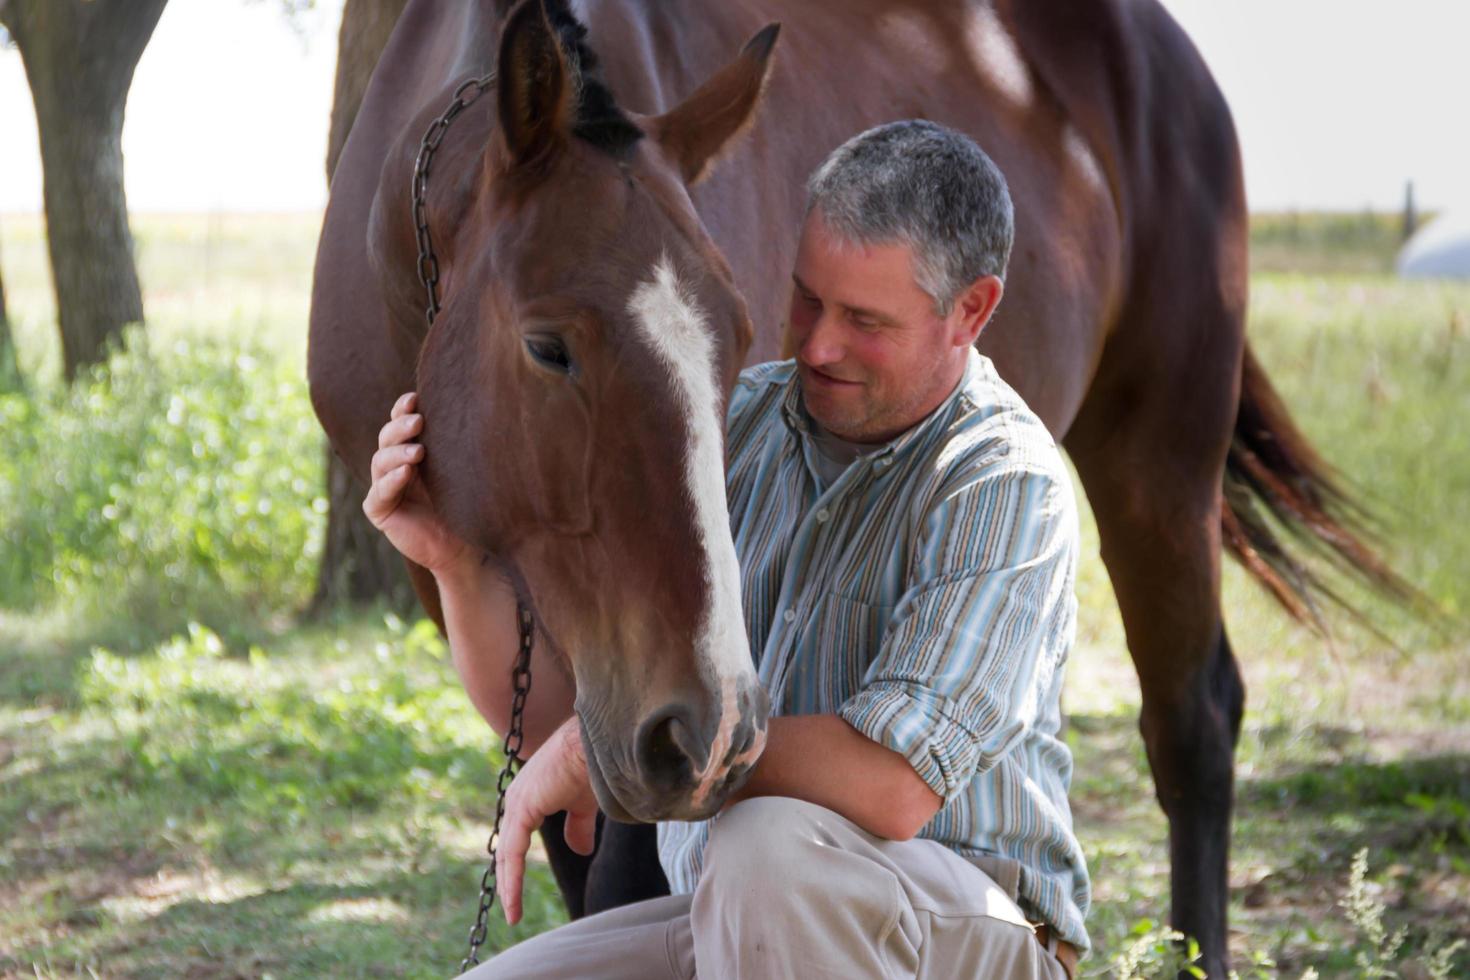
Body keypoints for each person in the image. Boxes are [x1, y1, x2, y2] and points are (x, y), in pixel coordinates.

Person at [366, 120, 1089, 979]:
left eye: (864, 320)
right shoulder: (737, 421)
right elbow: (566, 725)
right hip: (734, 921)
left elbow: (897, 786)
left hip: (955, 929)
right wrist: (455, 562)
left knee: (766, 844)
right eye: (807, 297)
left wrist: (604, 759)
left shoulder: (1003, 479)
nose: (818, 345)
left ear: (971, 310)